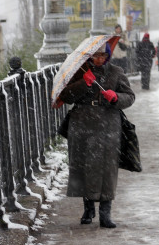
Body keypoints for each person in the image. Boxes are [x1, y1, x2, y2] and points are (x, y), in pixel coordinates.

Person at [58, 41, 136, 228]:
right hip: (82, 125)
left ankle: (105, 214)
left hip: (108, 125)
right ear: (89, 57)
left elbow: (130, 97)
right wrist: (83, 84)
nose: (99, 59)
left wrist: (116, 97)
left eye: (103, 56)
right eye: (96, 56)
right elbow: (66, 96)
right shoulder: (79, 72)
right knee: (85, 166)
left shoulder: (116, 72)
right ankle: (88, 209)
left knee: (107, 168)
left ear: (108, 56)